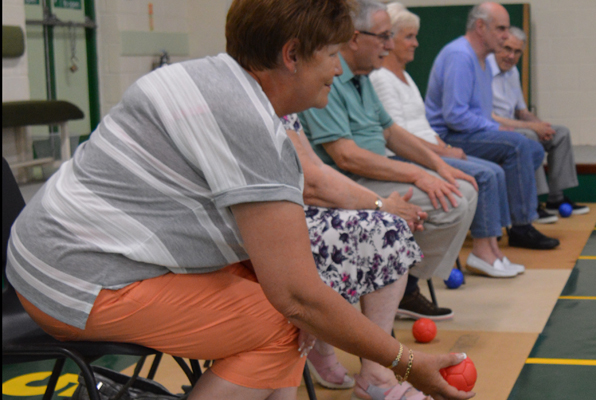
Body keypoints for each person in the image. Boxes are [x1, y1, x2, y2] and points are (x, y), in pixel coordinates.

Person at [5, 1, 474, 400]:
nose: (336, 67)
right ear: (292, 55)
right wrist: (408, 363)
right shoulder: (248, 120)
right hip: (72, 280)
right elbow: (297, 299)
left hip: (52, 254)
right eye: (331, 54)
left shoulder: (209, 77)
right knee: (288, 324)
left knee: (296, 308)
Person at [299, 0, 480, 323]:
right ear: (354, 38)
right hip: (351, 181)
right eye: (384, 36)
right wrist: (416, 174)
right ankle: (401, 285)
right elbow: (346, 155)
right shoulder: (328, 75)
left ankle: (402, 283)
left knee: (461, 187)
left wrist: (438, 166)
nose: (390, 45)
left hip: (377, 171)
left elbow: (391, 132)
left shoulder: (362, 76)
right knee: (453, 200)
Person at [370, 2, 522, 278]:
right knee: (482, 177)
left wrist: (443, 147)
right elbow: (398, 135)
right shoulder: (381, 79)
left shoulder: (404, 77)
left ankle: (492, 248)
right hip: (410, 154)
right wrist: (443, 152)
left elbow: (423, 126)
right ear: (388, 40)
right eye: (408, 36)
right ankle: (481, 252)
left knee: (494, 171)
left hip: (429, 148)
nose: (416, 43)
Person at [282, 112, 422, 392]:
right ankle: (373, 370)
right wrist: (382, 205)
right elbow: (311, 185)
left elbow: (315, 167)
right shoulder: (259, 99)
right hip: (270, 219)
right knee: (386, 230)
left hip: (294, 208)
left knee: (386, 227)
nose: (337, 68)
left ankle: (369, 363)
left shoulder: (285, 109)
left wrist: (380, 205)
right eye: (333, 63)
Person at [425, 2, 560, 250]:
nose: (506, 35)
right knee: (519, 145)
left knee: (534, 149)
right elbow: (455, 116)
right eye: (501, 29)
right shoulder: (460, 56)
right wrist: (497, 130)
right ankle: (521, 226)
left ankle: (498, 218)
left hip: (467, 133)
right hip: (447, 137)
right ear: (480, 27)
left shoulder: (484, 60)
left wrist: (494, 128)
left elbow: (480, 114)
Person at [489, 27, 589, 215]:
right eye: (507, 49)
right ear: (497, 47)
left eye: (517, 51)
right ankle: (531, 203)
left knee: (560, 133)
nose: (511, 56)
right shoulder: (483, 69)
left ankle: (555, 198)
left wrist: (542, 126)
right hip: (494, 130)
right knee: (528, 137)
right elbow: (489, 117)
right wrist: (532, 127)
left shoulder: (512, 73)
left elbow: (522, 111)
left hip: (515, 126)